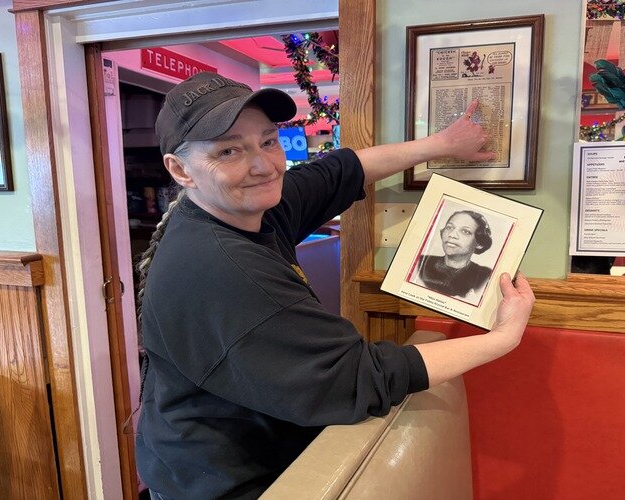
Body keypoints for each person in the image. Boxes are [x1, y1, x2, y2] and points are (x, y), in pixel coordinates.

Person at [135, 71, 534, 499]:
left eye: (267, 141)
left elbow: (338, 172)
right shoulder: (224, 270)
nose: (262, 165)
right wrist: (503, 337)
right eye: (228, 150)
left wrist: (440, 145)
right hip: (219, 484)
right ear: (180, 170)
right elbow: (358, 379)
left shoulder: (245, 206)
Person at [415, 210, 493, 301]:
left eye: (465, 231)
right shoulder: (420, 263)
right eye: (449, 228)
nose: (452, 235)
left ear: (479, 244)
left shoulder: (485, 276)